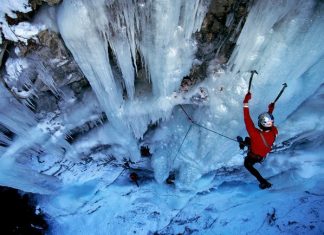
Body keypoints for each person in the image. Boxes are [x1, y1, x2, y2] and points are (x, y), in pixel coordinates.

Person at [239, 92, 278, 189]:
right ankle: (242, 144)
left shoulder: (255, 134)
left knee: (247, 163)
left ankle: (263, 181)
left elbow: (247, 118)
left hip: (254, 154)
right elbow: (269, 123)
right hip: (260, 155)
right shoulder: (274, 131)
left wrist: (246, 101)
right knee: (248, 140)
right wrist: (270, 110)